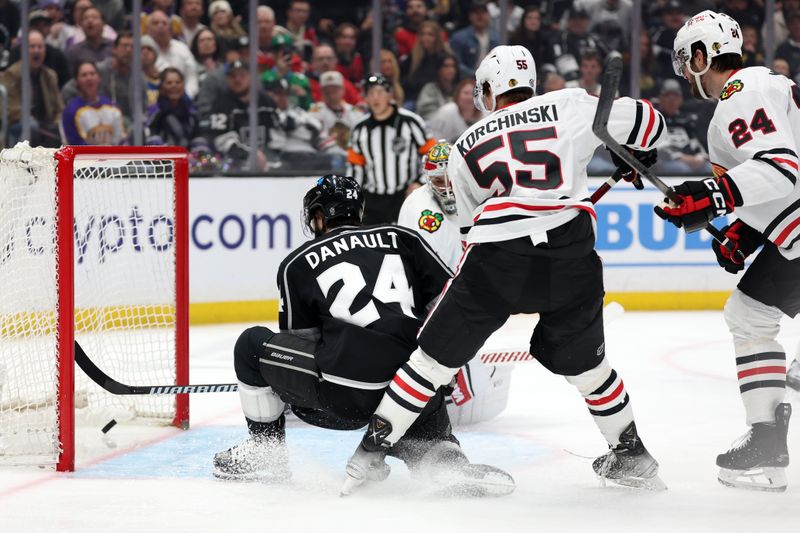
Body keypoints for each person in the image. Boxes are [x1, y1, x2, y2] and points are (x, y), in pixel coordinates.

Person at [343, 45, 667, 494]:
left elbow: (465, 219)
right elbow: (653, 125)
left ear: (491, 89)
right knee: (589, 366)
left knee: (431, 360)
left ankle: (369, 455)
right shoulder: (570, 103)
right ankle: (632, 454)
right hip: (571, 253)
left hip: (499, 256)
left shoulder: (468, 142)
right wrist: (629, 151)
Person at [212, 175, 515, 497]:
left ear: (317, 216)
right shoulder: (403, 237)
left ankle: (265, 451)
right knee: (429, 439)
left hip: (345, 399)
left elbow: (303, 341)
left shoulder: (298, 263)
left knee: (251, 344)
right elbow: (448, 301)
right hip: (413, 386)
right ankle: (445, 462)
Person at [658, 10, 795, 492]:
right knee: (749, 314)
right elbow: (771, 183)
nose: (684, 74)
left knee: (752, 319)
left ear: (702, 55)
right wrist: (744, 230)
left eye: (685, 61)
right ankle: (766, 443)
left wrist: (713, 197)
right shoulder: (752, 93)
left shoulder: (744, 92)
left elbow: (782, 168)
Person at [398, 141, 515, 426]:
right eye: (439, 180)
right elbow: (412, 269)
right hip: (430, 297)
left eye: (451, 179)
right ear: (427, 179)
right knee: (468, 401)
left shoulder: (482, 196)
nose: (448, 188)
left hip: (465, 291)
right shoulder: (417, 207)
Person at [347, 73, 436, 225]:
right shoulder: (359, 129)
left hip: (405, 196)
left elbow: (432, 154)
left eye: (380, 92)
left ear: (390, 95)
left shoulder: (410, 122)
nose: (375, 98)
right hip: (373, 200)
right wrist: (353, 199)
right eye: (371, 93)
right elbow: (356, 169)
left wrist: (420, 182)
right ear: (366, 98)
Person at [0, 29, 63, 147]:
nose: (36, 51)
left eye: (40, 47)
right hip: (18, 124)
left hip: (45, 124)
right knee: (31, 127)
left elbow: (58, 108)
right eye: (32, 47)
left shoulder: (50, 75)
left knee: (60, 129)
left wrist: (57, 123)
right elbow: (10, 109)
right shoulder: (12, 74)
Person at [62, 61, 125, 145]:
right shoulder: (70, 111)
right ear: (76, 81)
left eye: (92, 74)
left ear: (99, 78)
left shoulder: (111, 107)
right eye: (84, 75)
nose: (89, 78)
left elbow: (121, 139)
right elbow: (74, 144)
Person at [146, 67, 196, 147]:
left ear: (183, 85)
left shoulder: (191, 110)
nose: (174, 86)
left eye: (178, 82)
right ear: (161, 87)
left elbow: (198, 135)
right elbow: (149, 133)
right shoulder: (154, 111)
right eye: (169, 83)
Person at [449, 0, 499, 79]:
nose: (480, 16)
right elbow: (457, 64)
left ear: (489, 15)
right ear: (470, 16)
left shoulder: (496, 37)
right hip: (467, 80)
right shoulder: (459, 38)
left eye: (483, 13)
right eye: (476, 13)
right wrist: (476, 75)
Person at [426, 78, 483, 143]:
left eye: (473, 93)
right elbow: (436, 140)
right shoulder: (447, 112)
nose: (470, 97)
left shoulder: (484, 112)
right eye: (466, 93)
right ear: (458, 95)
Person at [415, 54, 459, 121]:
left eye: (453, 66)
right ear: (439, 70)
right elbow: (426, 113)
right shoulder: (429, 89)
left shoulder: (460, 89)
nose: (451, 69)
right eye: (446, 66)